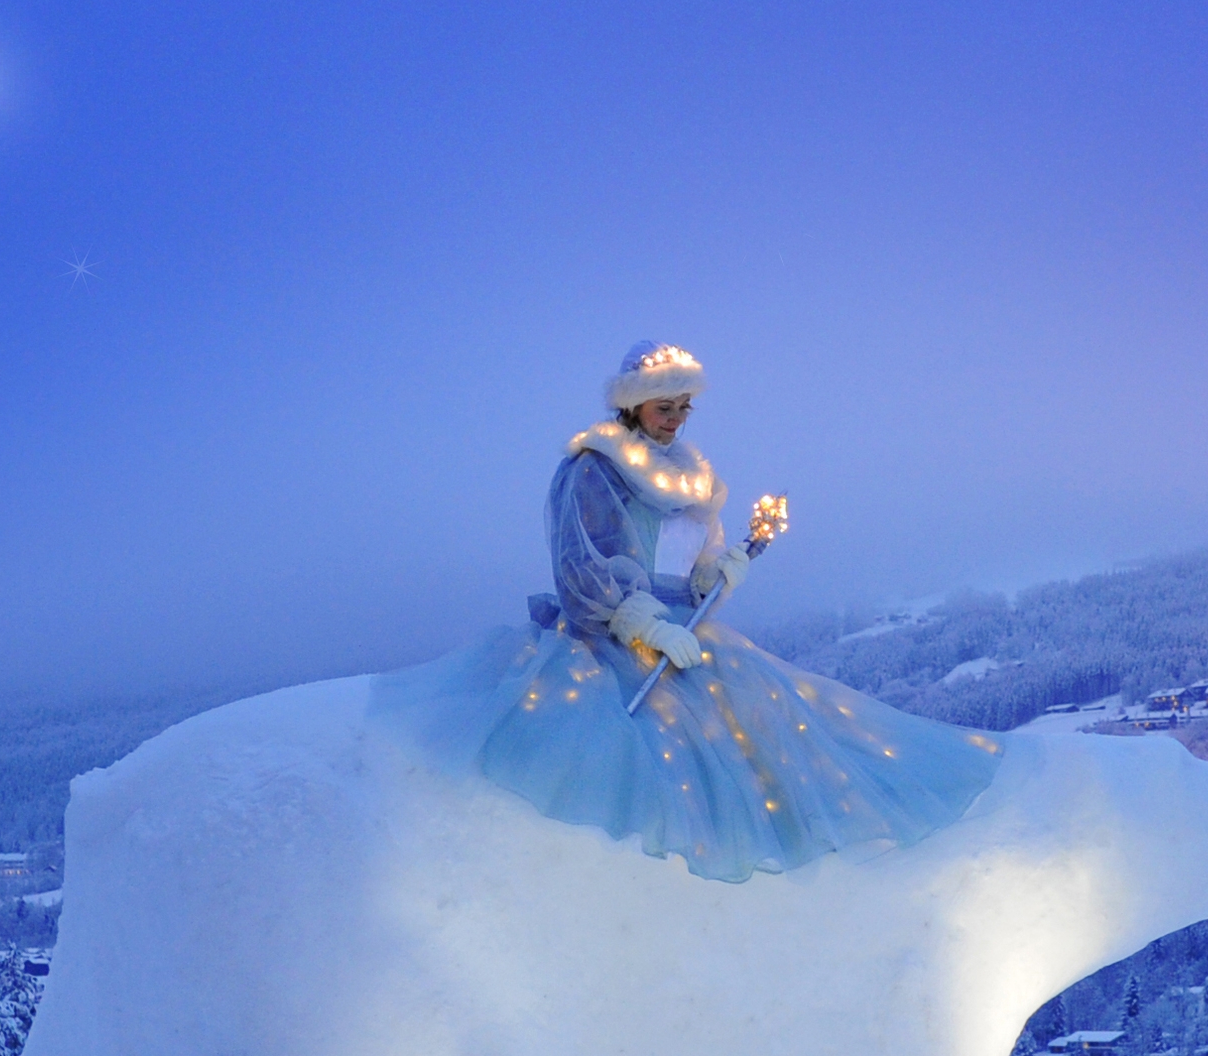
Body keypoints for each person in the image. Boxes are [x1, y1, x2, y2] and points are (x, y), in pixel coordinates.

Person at [371, 343, 1006, 881]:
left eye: (684, 407)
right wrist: (638, 622)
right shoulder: (596, 469)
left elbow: (692, 563)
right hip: (614, 635)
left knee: (774, 734)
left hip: (686, 632)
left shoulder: (693, 474)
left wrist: (719, 572)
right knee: (631, 757)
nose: (675, 420)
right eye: (663, 406)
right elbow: (580, 562)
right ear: (631, 403)